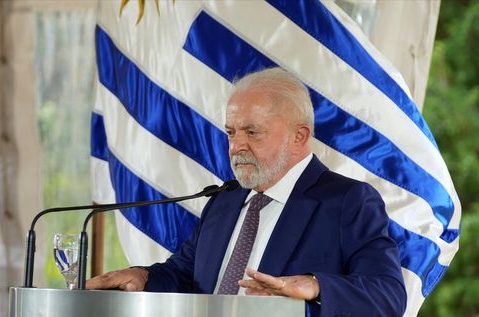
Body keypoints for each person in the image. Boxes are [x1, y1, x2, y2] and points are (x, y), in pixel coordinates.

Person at [87, 67, 407, 316]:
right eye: (231, 132)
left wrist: (315, 286)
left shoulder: (347, 201)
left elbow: (388, 295)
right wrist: (144, 277)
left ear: (299, 136)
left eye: (252, 132)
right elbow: (185, 275)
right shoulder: (225, 200)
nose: (237, 145)